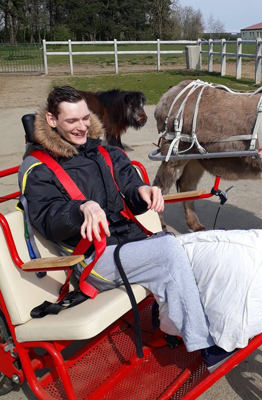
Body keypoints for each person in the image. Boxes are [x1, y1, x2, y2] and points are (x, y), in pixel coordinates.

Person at [19, 86, 235, 372]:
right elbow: (48, 219)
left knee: (209, 246)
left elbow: (129, 187)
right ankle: (206, 345)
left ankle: (210, 322)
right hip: (92, 260)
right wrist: (79, 209)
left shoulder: (105, 152)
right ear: (51, 120)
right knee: (170, 248)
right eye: (72, 121)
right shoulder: (37, 169)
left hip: (126, 243)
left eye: (85, 118)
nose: (82, 126)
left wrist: (142, 191)